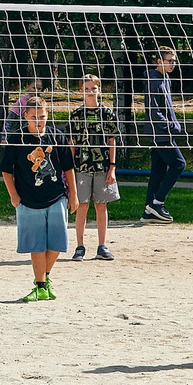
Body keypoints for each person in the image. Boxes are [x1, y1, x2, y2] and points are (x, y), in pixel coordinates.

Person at [0, 98, 77, 302]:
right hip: (28, 199)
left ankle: (45, 276)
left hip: (56, 196)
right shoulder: (16, 139)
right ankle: (40, 285)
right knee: (37, 245)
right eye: (34, 118)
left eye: (42, 117)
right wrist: (13, 196)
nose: (39, 121)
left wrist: (74, 195)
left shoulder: (57, 137)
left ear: (47, 115)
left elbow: (68, 168)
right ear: (25, 117)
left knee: (58, 243)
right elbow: (6, 171)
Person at [63, 74, 123, 259]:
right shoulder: (76, 115)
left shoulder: (107, 114)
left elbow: (112, 141)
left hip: (102, 166)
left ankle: (102, 246)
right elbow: (72, 143)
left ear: (99, 90)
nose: (90, 92)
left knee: (101, 205)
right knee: (81, 206)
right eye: (86, 89)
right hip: (81, 166)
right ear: (81, 90)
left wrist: (112, 167)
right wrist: (68, 169)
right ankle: (80, 246)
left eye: (93, 88)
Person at [139, 47, 186, 223]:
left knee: (158, 170)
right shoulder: (153, 81)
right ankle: (157, 202)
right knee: (179, 164)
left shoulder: (165, 79)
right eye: (169, 61)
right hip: (160, 133)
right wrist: (171, 126)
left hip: (163, 132)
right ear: (159, 61)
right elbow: (154, 111)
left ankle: (148, 211)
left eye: (174, 61)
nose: (172, 64)